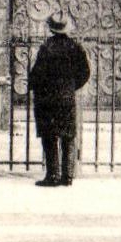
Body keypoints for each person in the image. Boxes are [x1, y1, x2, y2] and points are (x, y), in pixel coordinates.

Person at [27, 13, 91, 188]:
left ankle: (53, 176)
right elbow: (85, 72)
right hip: (67, 98)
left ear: (51, 28)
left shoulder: (46, 48)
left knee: (50, 137)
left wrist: (35, 86)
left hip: (48, 99)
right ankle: (68, 176)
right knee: (68, 137)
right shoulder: (76, 47)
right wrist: (71, 87)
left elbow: (37, 74)